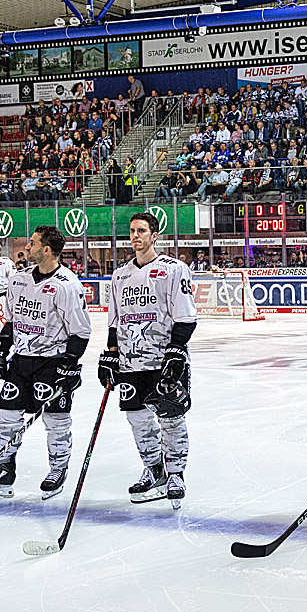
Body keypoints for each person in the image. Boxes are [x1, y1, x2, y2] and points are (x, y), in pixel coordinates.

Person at [0, 226, 93, 499]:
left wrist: (71, 364)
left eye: (32, 243)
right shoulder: (18, 280)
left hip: (51, 362)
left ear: (47, 250)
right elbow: (13, 322)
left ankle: (57, 468)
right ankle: (3, 468)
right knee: (6, 416)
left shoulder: (67, 285)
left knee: (56, 421)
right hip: (21, 360)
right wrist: (0, 351)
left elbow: (81, 331)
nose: (27, 247)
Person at [98, 212, 198, 508]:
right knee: (138, 420)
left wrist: (177, 351)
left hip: (163, 360)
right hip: (131, 363)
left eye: (142, 231)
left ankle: (175, 472)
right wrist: (110, 355)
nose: (135, 236)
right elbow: (114, 320)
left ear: (155, 235)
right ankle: (154, 468)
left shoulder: (174, 269)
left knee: (171, 417)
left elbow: (186, 316)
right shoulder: (120, 275)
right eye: (131, 231)